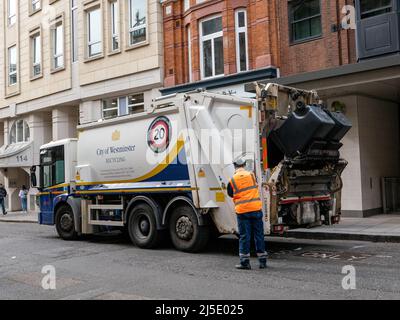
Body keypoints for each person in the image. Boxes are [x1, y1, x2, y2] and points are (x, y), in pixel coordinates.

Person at [227, 159, 267, 270]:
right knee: (259, 235)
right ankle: (262, 261)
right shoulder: (251, 175)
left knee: (245, 236)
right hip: (255, 208)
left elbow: (230, 193)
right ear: (244, 165)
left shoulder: (232, 179)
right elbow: (256, 186)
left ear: (235, 166)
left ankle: (245, 262)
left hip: (243, 211)